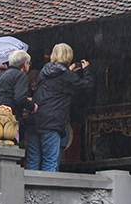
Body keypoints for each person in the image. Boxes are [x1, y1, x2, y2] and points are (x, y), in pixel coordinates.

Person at [25, 43, 93, 172]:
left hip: (34, 119)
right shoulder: (66, 75)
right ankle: (46, 192)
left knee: (33, 161)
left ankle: (29, 192)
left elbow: (56, 84)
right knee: (50, 162)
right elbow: (86, 86)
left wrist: (69, 72)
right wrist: (87, 70)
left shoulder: (45, 71)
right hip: (51, 121)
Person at [0, 50, 38, 130]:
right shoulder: (20, 76)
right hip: (10, 117)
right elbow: (19, 98)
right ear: (25, 64)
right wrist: (32, 106)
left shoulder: (2, 75)